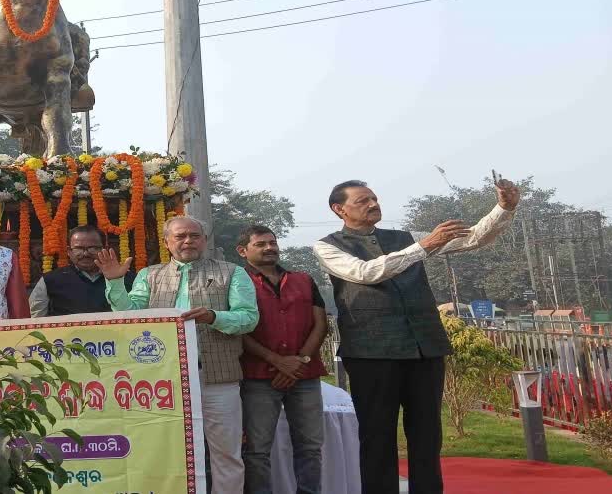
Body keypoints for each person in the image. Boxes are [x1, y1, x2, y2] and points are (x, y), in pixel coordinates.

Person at [314, 178, 520, 494]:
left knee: (427, 434)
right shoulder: (327, 246)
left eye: (374, 198)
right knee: (377, 435)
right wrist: (424, 246)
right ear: (339, 209)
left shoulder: (404, 237)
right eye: (362, 200)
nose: (373, 204)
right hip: (372, 352)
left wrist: (504, 208)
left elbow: (473, 238)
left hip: (425, 347)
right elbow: (367, 272)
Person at [98, 215, 260, 494]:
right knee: (165, 452)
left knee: (226, 455)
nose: (188, 241)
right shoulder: (149, 275)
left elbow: (248, 318)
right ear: (167, 242)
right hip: (163, 381)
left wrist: (213, 316)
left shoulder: (232, 273)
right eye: (180, 236)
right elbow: (131, 317)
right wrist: (114, 283)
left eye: (194, 236)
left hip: (216, 377)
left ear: (205, 241)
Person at [237, 225, 328, 494]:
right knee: (256, 450)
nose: (270, 248)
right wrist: (277, 360)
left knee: (310, 446)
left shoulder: (303, 279)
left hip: (305, 373)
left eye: (273, 242)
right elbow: (236, 328)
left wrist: (299, 361)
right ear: (242, 251)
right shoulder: (235, 282)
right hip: (258, 376)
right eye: (261, 244)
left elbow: (320, 324)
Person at [29, 225, 135, 317]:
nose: (85, 254)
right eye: (78, 249)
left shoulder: (126, 278)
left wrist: (115, 280)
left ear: (105, 249)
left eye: (92, 248)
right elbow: (35, 321)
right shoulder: (50, 281)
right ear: (69, 251)